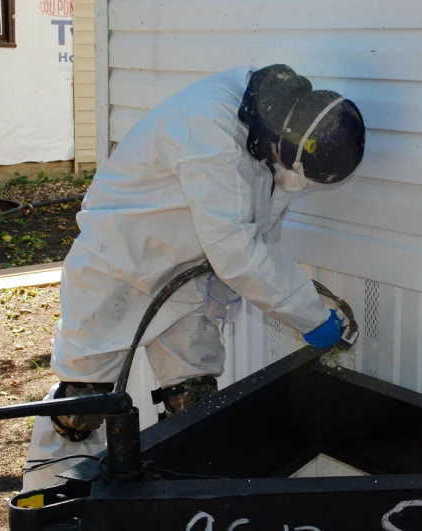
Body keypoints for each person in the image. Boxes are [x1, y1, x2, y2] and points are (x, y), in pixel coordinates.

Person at [22, 64, 366, 491]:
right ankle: (49, 506)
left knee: (193, 404)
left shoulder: (273, 125)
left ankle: (184, 506)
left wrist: (226, 298)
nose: (291, 182)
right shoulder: (211, 131)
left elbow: (255, 233)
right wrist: (312, 317)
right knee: (80, 407)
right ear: (282, 139)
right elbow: (236, 250)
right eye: (292, 169)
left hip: (187, 279)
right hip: (118, 265)